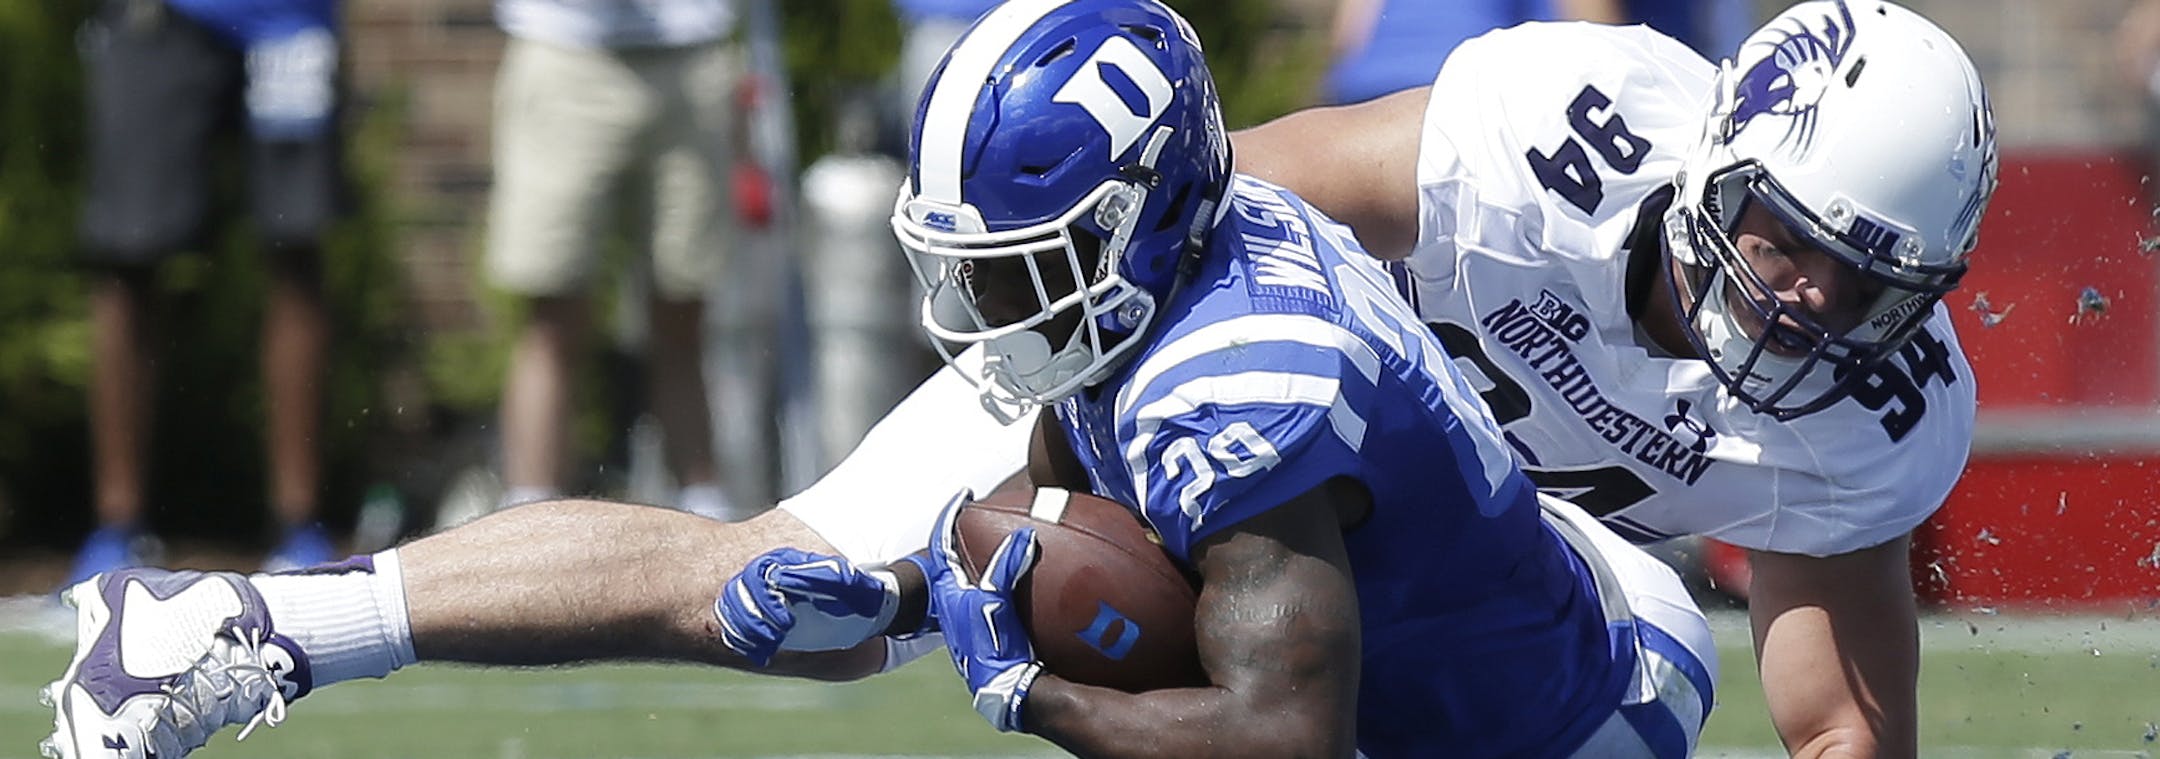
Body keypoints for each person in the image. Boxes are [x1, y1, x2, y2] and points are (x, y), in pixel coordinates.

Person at [37, 0, 1995, 756]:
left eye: (1856, 280)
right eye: (1774, 235)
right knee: (782, 581)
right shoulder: (1543, 129)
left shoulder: (1865, 420)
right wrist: (1064, 473)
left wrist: (1033, 623)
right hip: (1280, 400)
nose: (1797, 300)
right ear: (1716, 156)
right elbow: (1241, 197)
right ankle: (250, 625)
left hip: (1549, 619)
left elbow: (1834, 727)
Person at [716, 1, 1713, 755]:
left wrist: (1030, 696)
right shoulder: (1184, 260)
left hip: (1582, 711)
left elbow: (1285, 738)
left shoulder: (1236, 381)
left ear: (1135, 216)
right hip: (1520, 576)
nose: (984, 299)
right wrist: (894, 591)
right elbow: (1056, 502)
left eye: (1022, 262)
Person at [70, 0, 346, 583]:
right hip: (157, 17)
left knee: (296, 254)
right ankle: (116, 531)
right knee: (128, 258)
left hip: (291, 25)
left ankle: (300, 529)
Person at [484, 0, 743, 519]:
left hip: (692, 52)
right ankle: (527, 523)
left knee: (684, 313)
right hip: (565, 49)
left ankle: (705, 518)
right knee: (552, 314)